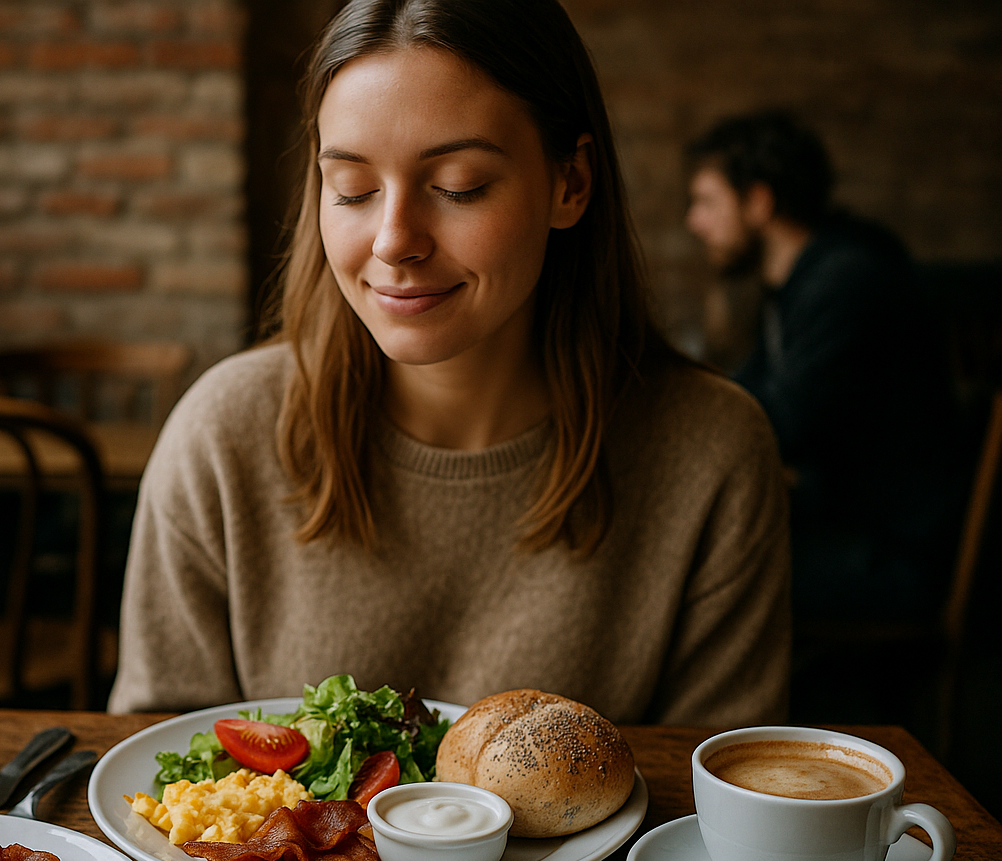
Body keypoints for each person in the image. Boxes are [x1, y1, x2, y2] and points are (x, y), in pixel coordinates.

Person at [108, 0, 790, 726]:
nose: (394, 240)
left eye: (459, 185)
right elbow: (159, 766)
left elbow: (716, 796)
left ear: (572, 183)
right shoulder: (224, 433)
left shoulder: (712, 449)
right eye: (353, 189)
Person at [685, 112, 967, 620]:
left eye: (706, 202)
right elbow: (742, 398)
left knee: (697, 568)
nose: (694, 221)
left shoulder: (847, 280)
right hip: (846, 528)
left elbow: (776, 423)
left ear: (759, 202)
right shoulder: (802, 282)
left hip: (892, 557)